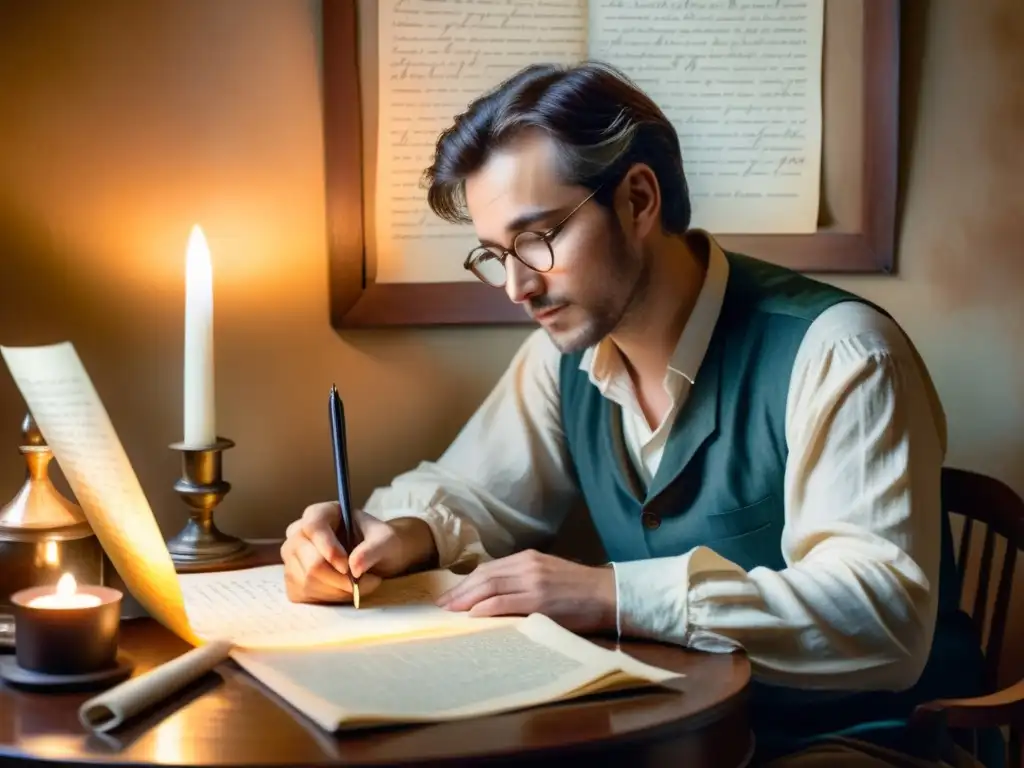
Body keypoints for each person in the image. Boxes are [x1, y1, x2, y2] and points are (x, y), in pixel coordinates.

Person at [281, 62, 995, 767]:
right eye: (496, 254)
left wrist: (610, 594)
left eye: (537, 239)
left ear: (638, 200)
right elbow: (472, 492)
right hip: (672, 735)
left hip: (868, 742)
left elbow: (882, 620)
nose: (516, 286)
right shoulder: (562, 360)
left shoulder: (842, 353)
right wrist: (391, 534)